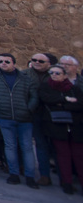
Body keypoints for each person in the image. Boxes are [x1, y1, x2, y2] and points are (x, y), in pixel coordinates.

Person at [0, 53, 39, 188]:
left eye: (7, 62)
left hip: (24, 117)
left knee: (26, 147)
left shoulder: (25, 78)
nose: (3, 64)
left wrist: (29, 109)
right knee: (10, 146)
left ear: (13, 63)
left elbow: (34, 95)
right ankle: (13, 173)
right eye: (1, 61)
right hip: (4, 116)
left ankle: (30, 176)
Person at [38, 63, 83, 194]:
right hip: (57, 127)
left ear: (64, 76)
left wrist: (61, 105)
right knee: (63, 156)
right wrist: (66, 100)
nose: (54, 75)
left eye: (57, 73)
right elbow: (47, 100)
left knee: (79, 156)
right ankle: (66, 182)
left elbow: (80, 104)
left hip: (75, 128)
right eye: (52, 73)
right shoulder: (46, 87)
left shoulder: (74, 89)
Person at [26, 52, 57, 186]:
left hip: (53, 115)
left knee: (58, 147)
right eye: (34, 60)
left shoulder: (55, 75)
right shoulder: (25, 75)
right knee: (40, 145)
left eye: (41, 61)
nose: (37, 62)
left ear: (49, 64)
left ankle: (64, 176)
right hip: (34, 114)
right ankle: (44, 175)